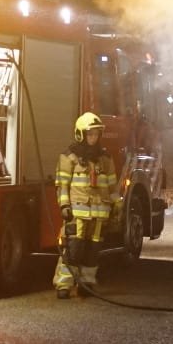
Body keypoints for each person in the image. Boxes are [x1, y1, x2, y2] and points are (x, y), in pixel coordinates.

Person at [54, 111, 120, 299]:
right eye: (90, 134)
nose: (93, 138)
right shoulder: (69, 157)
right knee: (73, 250)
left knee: (92, 251)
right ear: (80, 134)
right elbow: (62, 185)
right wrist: (64, 206)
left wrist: (117, 205)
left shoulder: (105, 158)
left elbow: (112, 186)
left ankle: (87, 283)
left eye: (96, 134)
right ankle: (64, 285)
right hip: (77, 213)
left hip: (99, 215)